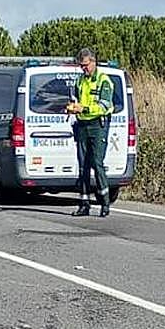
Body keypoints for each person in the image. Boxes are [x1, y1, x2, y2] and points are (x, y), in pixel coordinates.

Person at [65, 48, 115, 217]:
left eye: (85, 65)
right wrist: (72, 108)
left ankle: (104, 202)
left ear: (93, 62)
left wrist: (84, 108)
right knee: (83, 166)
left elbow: (105, 106)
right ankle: (84, 203)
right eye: (81, 66)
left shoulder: (104, 81)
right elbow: (77, 99)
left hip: (98, 125)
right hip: (82, 125)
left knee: (97, 163)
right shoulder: (80, 81)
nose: (83, 69)